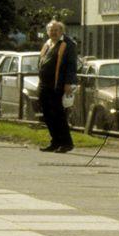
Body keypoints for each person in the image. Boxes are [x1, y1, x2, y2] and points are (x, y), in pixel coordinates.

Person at [38, 20, 78, 153]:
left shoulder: (68, 44)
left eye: (56, 30)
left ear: (61, 31)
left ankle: (67, 142)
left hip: (58, 85)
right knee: (47, 114)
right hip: (44, 84)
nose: (53, 32)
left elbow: (72, 66)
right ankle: (55, 141)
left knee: (58, 114)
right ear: (47, 31)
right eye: (51, 30)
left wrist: (68, 83)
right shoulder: (48, 43)